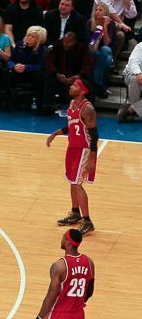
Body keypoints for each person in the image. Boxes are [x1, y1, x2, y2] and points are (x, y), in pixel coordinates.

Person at [46, 79, 99, 236]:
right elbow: (72, 126)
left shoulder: (87, 109)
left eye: (75, 85)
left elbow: (95, 135)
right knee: (72, 181)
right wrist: (56, 133)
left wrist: (92, 158)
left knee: (77, 184)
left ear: (82, 91)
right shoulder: (71, 104)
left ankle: (87, 221)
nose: (71, 87)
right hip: (73, 148)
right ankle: (75, 213)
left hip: (84, 149)